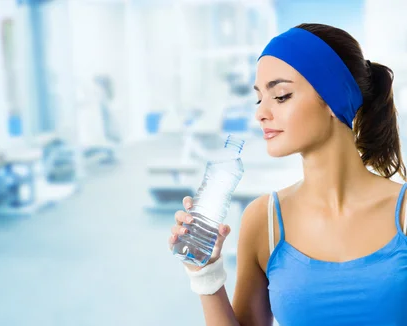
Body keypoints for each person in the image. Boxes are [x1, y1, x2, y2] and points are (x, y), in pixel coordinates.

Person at [168, 23, 407, 325]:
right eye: (259, 98)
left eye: (280, 95)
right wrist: (204, 275)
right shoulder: (264, 221)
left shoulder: (404, 214)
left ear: (333, 98)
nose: (260, 113)